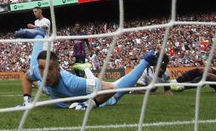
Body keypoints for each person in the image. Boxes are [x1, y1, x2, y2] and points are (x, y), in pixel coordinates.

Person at [20, 41, 159, 110]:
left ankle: (146, 60)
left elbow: (111, 90)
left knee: (119, 88)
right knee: (41, 85)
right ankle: (87, 69)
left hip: (105, 98)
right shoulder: (38, 72)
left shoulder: (72, 82)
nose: (44, 73)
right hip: (58, 92)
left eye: (49, 69)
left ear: (58, 69)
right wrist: (27, 101)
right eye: (42, 68)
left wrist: (89, 104)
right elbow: (26, 77)